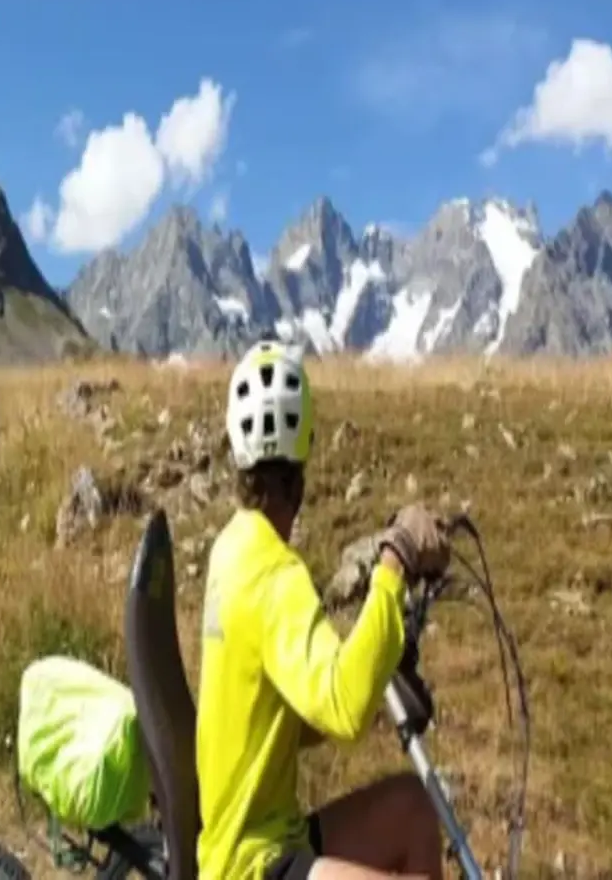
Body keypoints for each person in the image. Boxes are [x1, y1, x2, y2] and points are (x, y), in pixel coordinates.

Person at [196, 339, 450, 880]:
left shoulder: (233, 549)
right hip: (253, 863)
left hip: (246, 840)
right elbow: (343, 708)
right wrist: (395, 559)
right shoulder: (275, 574)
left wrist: (379, 655)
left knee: (413, 808)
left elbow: (296, 709)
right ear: (302, 464)